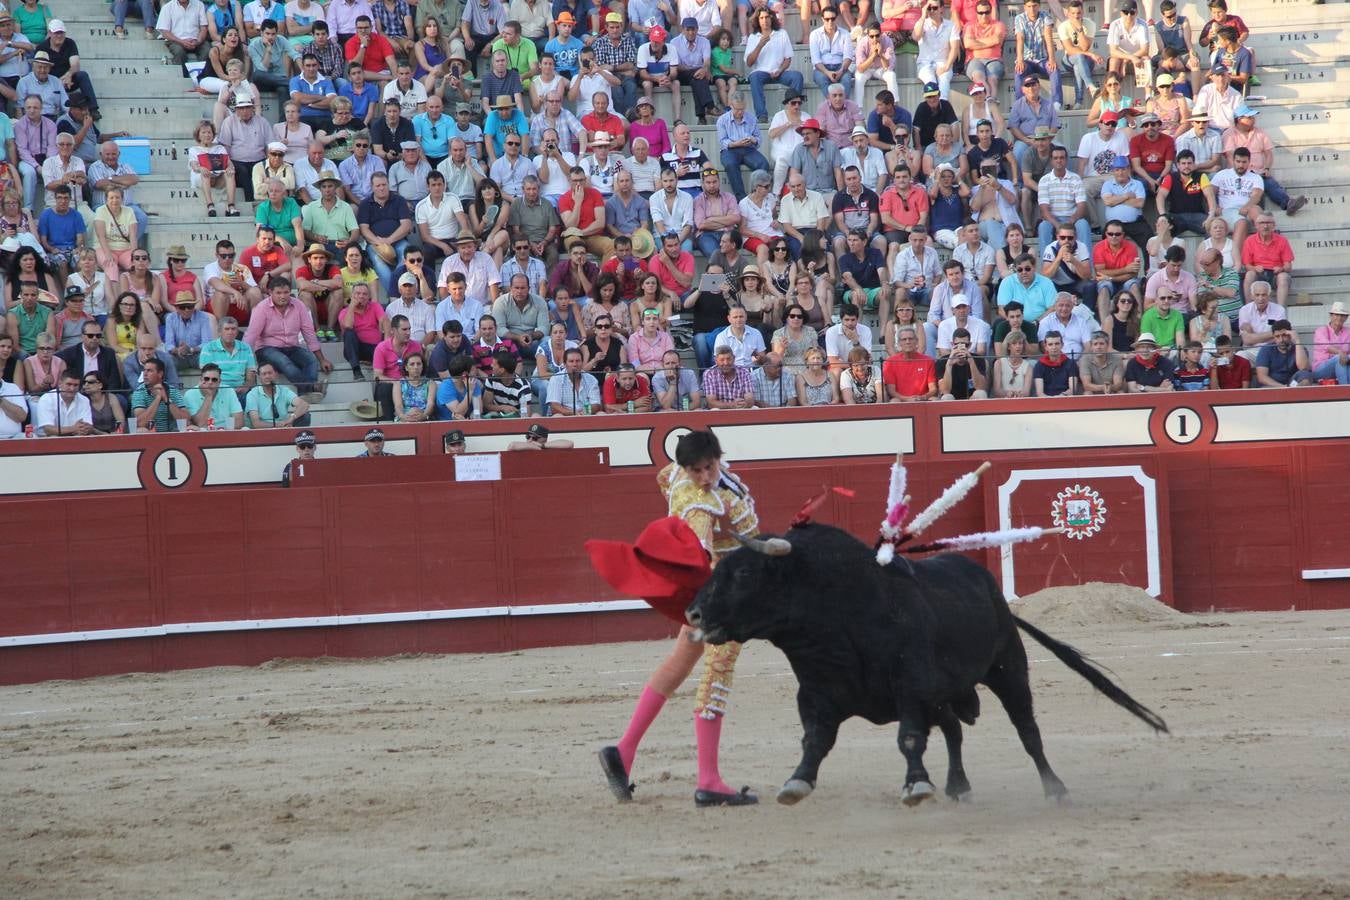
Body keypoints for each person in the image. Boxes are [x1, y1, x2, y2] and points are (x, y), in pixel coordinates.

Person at [593, 429, 766, 807]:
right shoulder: (701, 504)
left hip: (711, 596)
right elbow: (699, 553)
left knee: (678, 664)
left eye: (709, 467)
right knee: (717, 672)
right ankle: (708, 780)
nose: (704, 477)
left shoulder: (677, 475)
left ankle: (623, 752)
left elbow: (664, 477)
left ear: (718, 458)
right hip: (722, 598)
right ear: (685, 469)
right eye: (695, 471)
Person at [130, 357, 190, 432]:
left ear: (160, 374)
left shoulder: (173, 391)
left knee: (191, 428)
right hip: (149, 434)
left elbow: (186, 421)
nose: (145, 374)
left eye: (149, 371)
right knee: (141, 430)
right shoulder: (139, 391)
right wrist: (158, 398)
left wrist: (167, 400)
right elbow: (140, 423)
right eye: (144, 370)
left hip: (172, 433)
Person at [881, 326, 936, 402]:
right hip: (901, 400)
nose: (908, 342)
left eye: (911, 339)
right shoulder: (890, 362)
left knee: (935, 399)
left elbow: (933, 389)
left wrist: (923, 397)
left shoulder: (928, 360)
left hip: (923, 399)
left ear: (916, 341)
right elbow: (891, 390)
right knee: (894, 401)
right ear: (899, 343)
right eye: (904, 339)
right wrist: (906, 399)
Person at [1254, 320, 1310, 388]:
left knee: (1305, 374)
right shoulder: (1266, 349)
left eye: (1284, 335)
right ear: (1274, 337)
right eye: (1277, 336)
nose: (1281, 340)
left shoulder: (1299, 348)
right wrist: (1283, 387)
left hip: (1293, 384)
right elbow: (1262, 377)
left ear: (1290, 335)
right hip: (1272, 386)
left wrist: (1297, 340)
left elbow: (1303, 368)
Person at [1033, 332, 1079, 396]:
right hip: (1046, 400)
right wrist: (1050, 400)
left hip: (1065, 398)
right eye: (1050, 344)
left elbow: (1072, 389)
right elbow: (1040, 393)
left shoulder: (1071, 364)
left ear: (1062, 345)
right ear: (1045, 347)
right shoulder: (1039, 365)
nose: (1054, 347)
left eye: (1057, 344)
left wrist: (1061, 396)